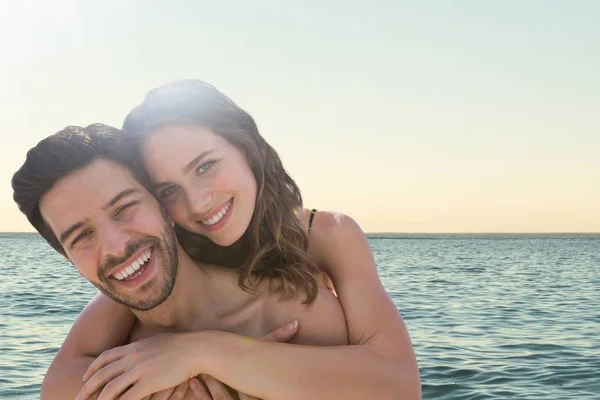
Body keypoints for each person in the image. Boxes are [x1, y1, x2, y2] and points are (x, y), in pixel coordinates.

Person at [24, 80, 421, 399]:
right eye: (168, 190)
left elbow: (397, 384)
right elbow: (59, 383)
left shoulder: (323, 242)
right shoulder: (147, 270)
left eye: (206, 166)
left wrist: (206, 352)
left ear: (246, 150)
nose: (197, 203)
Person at [12, 125, 348, 400]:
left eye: (125, 208)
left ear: (166, 207)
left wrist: (213, 356)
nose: (115, 247)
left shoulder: (296, 314)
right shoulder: (107, 360)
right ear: (68, 258)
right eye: (81, 236)